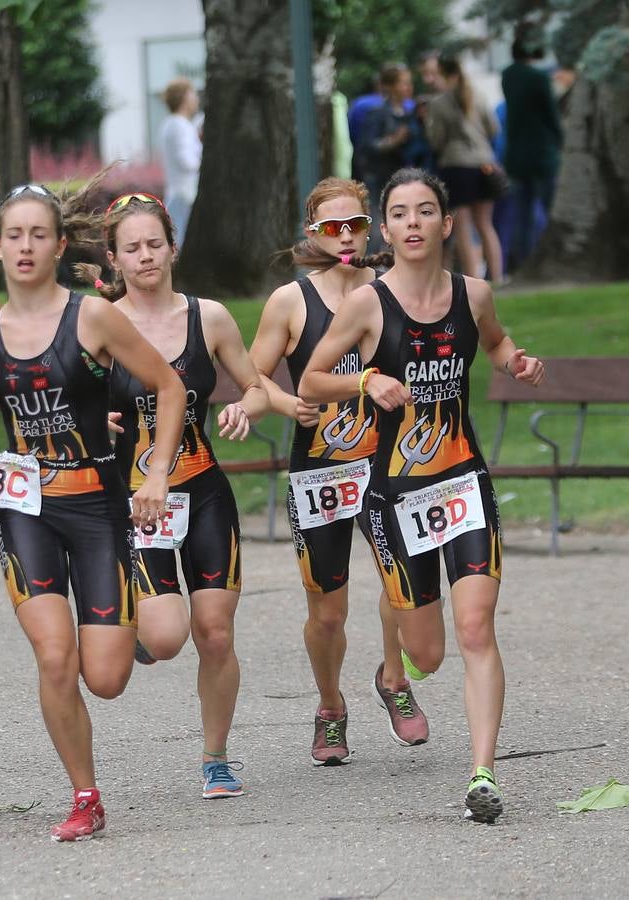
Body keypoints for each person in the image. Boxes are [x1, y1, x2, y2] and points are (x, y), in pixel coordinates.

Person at [0, 181, 186, 842]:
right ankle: (84, 794)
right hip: (27, 517)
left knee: (104, 679)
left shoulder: (92, 318)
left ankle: (125, 639)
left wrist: (154, 472)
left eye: (38, 234)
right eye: (13, 235)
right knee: (52, 657)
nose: (25, 246)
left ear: (58, 245)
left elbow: (168, 385)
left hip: (99, 514)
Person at [299, 167, 545, 823]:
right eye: (400, 213)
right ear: (387, 229)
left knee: (475, 628)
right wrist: (364, 384)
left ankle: (482, 775)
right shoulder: (365, 305)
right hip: (395, 494)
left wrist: (515, 363)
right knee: (429, 655)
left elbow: (493, 344)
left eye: (424, 211)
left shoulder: (474, 293)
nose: (412, 223)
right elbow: (313, 379)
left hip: (463, 481)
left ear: (445, 224)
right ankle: (393, 677)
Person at [78, 192, 268, 799]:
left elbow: (257, 385)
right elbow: (69, 398)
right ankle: (137, 626)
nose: (144, 258)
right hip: (136, 499)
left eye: (154, 245)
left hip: (203, 489)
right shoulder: (101, 323)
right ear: (114, 259)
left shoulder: (208, 317)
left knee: (215, 633)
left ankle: (215, 757)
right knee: (166, 638)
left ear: (172, 247)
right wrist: (91, 422)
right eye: (130, 249)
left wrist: (246, 403)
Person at [249, 176, 430, 768]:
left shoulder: (391, 290)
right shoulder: (291, 302)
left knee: (405, 592)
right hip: (322, 475)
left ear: (370, 227)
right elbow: (252, 377)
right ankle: (330, 707)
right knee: (327, 612)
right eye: (333, 228)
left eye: (356, 225)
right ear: (314, 234)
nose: (347, 237)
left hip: (391, 466)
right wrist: (278, 403)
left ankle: (392, 677)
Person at [425, 58, 505, 283]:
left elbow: (437, 139)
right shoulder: (477, 95)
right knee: (485, 224)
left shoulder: (439, 103)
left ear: (443, 73)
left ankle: (472, 280)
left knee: (462, 226)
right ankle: (497, 277)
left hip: (456, 165)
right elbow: (494, 128)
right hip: (484, 163)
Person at [501, 33, 563, 271]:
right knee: (550, 209)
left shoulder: (508, 76)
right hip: (542, 154)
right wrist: (561, 140)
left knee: (523, 214)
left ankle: (524, 262)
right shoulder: (538, 77)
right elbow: (550, 114)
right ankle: (552, 259)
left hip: (516, 155)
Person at [359, 63, 420, 254]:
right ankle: (375, 263)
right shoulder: (377, 113)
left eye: (409, 83)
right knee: (378, 220)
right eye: (404, 83)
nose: (408, 88)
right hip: (379, 176)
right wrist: (394, 140)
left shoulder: (411, 113)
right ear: (391, 86)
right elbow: (369, 146)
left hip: (401, 176)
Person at [158, 78, 202, 241]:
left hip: (180, 194)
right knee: (180, 241)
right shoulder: (179, 125)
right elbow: (187, 162)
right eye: (193, 94)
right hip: (184, 196)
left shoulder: (173, 124)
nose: (197, 99)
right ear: (184, 98)